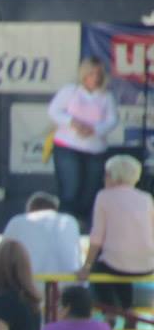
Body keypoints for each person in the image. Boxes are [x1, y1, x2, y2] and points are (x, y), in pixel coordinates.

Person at [80, 154, 154, 318]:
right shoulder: (146, 198)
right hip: (147, 264)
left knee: (101, 270)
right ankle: (128, 313)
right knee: (120, 270)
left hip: (116, 264)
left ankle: (111, 312)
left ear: (113, 175)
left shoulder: (104, 197)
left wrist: (86, 267)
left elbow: (97, 237)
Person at [49, 57, 121, 225]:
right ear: (84, 75)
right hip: (68, 146)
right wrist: (73, 123)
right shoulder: (71, 91)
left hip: (95, 149)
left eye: (98, 74)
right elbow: (54, 111)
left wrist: (94, 129)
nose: (95, 78)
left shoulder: (106, 96)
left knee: (91, 191)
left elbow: (112, 120)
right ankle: (65, 225)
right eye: (91, 74)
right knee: (70, 189)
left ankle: (85, 227)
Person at [2, 191, 84, 279]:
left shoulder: (17, 222)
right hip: (68, 284)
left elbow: (3, 256)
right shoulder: (70, 221)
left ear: (30, 209)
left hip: (27, 284)